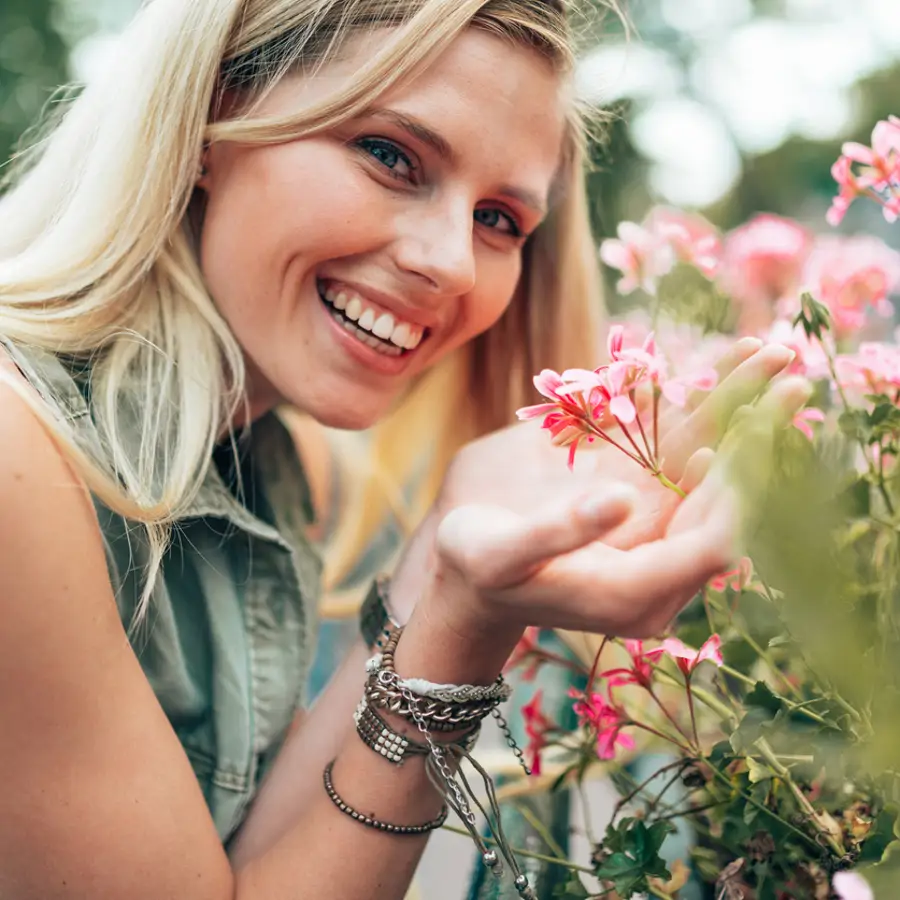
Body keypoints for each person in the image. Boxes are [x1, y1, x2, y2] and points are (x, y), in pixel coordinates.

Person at [0, 1, 808, 898]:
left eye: (500, 219)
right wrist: (461, 627)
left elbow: (245, 874)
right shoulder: (16, 456)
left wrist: (442, 566)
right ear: (207, 124)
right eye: (391, 156)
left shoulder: (270, 465)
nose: (453, 264)